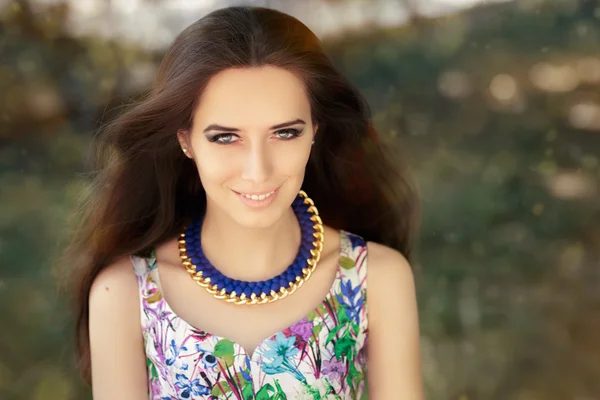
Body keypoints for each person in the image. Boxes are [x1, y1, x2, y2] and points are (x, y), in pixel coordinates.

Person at [64, 5, 423, 399]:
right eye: (225, 137)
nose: (258, 171)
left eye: (285, 133)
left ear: (315, 130)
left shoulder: (376, 280)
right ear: (185, 140)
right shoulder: (125, 294)